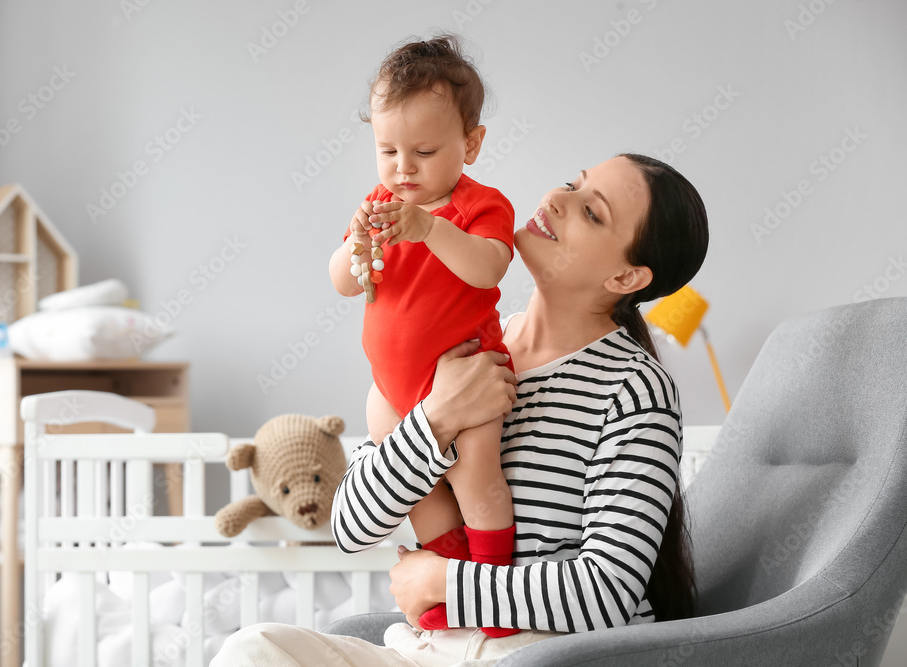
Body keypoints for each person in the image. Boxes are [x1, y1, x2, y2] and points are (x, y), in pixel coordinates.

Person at [210, 152, 709, 666]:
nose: (556, 200)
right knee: (254, 651)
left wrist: (441, 580)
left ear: (627, 279)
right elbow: (350, 525)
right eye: (570, 184)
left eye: (591, 212)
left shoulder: (634, 388)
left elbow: (607, 592)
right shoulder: (464, 339)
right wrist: (437, 418)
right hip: (433, 653)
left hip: (539, 655)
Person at [327, 34, 519, 635]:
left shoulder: (478, 205)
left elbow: (488, 266)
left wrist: (426, 228)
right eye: (388, 150)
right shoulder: (380, 203)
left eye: (425, 151)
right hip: (392, 392)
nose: (403, 168)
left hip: (468, 374)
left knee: (476, 478)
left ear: (472, 143)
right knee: (419, 493)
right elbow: (341, 282)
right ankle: (448, 578)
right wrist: (359, 248)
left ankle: (492, 594)